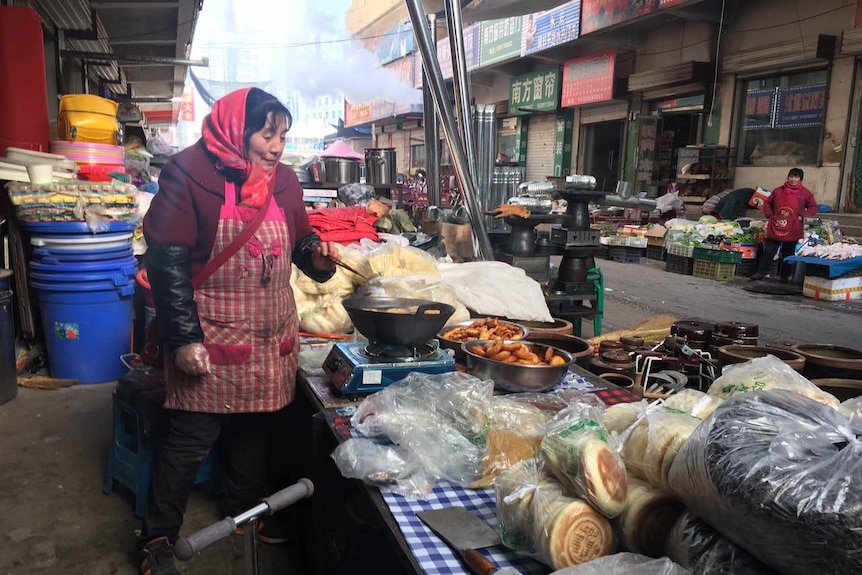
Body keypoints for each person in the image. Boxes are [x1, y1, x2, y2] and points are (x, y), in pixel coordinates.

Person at [138, 87, 340, 575]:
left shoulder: (286, 179)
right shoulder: (189, 172)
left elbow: (298, 239)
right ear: (236, 128)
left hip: (270, 336)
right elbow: (166, 264)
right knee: (191, 437)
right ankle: (158, 536)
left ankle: (246, 514)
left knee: (255, 428)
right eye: (267, 134)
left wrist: (316, 256)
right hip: (208, 334)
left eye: (283, 135)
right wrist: (184, 339)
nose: (277, 146)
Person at [750, 168, 817, 282]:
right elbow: (767, 203)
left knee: (788, 253)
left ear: (800, 179)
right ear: (787, 177)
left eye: (796, 177)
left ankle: (784, 277)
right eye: (791, 176)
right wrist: (770, 215)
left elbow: (813, 207)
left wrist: (803, 216)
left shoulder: (806, 193)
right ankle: (760, 273)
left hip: (793, 226)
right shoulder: (778, 191)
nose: (793, 179)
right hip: (776, 225)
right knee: (769, 251)